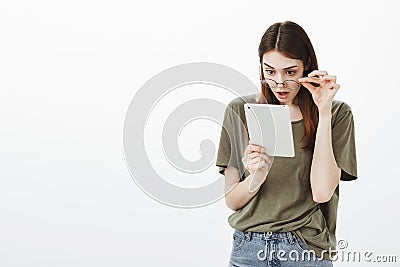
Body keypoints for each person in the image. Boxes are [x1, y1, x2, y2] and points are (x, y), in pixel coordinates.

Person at [216, 21, 357, 266]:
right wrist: (256, 177)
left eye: (290, 72)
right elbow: (232, 201)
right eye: (270, 72)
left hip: (304, 249)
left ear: (307, 67)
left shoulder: (337, 114)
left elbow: (322, 192)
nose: (279, 82)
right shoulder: (239, 110)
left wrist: (323, 111)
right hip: (248, 249)